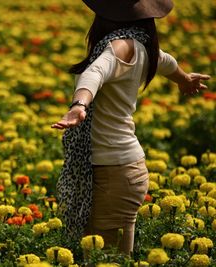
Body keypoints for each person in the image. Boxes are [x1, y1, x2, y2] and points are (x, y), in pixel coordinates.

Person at [51, 0, 210, 256]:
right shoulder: (143, 45)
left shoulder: (120, 45)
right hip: (123, 170)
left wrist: (79, 104)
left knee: (104, 259)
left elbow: (94, 73)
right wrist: (184, 78)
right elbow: (166, 61)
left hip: (115, 173)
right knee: (115, 256)